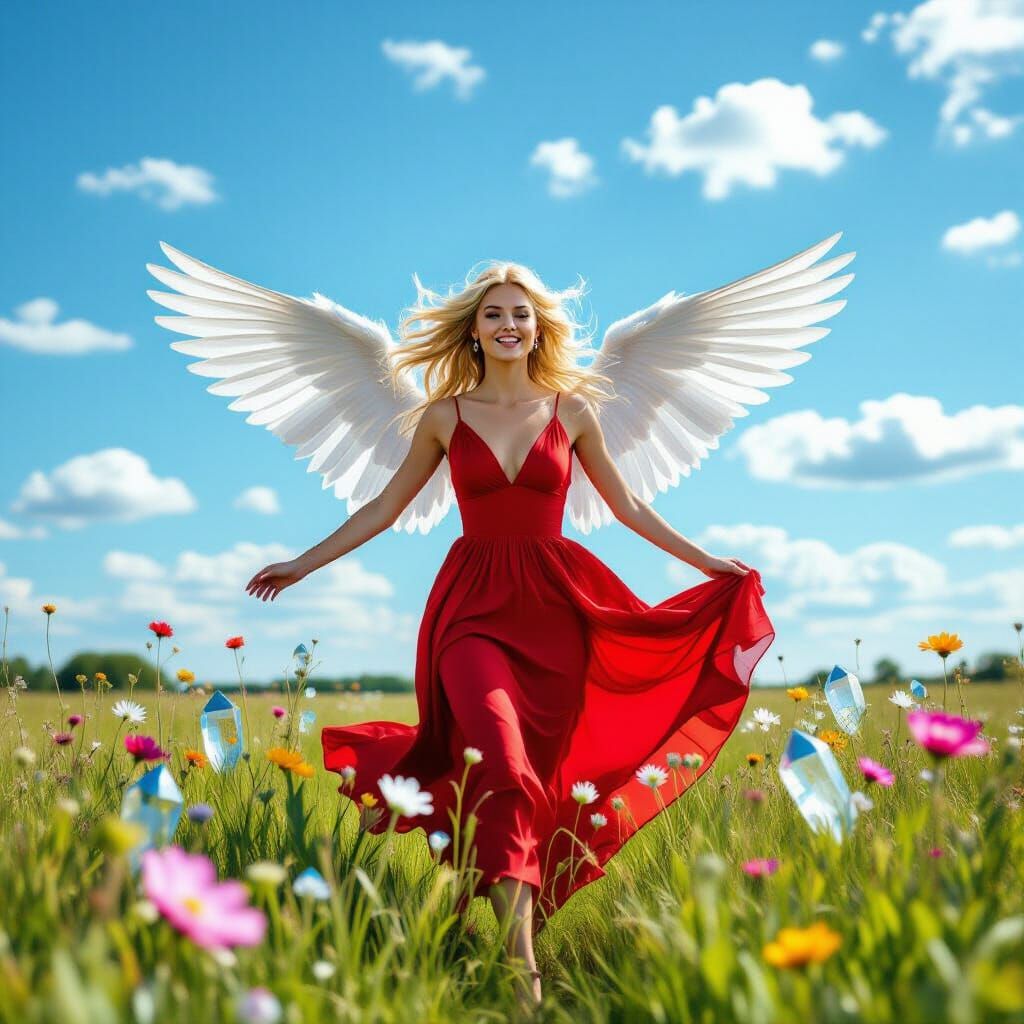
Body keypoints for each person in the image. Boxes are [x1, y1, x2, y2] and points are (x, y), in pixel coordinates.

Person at [150, 234, 852, 1009]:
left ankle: (504, 917)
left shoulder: (575, 409)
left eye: (521, 313)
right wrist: (302, 562)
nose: (509, 324)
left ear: (538, 326)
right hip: (472, 611)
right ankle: (523, 972)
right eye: (494, 314)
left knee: (531, 785)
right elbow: (387, 508)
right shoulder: (443, 416)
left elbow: (627, 507)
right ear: (475, 329)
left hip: (557, 613)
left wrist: (706, 561)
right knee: (502, 760)